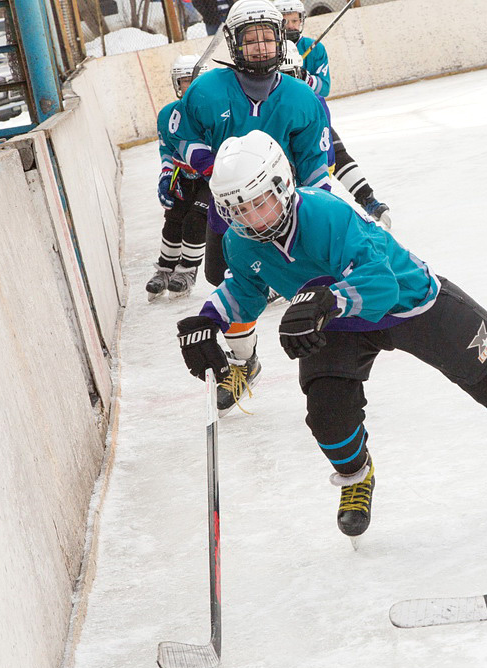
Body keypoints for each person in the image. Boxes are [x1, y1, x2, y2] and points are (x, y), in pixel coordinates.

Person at [174, 130, 487, 537]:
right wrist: (207, 320)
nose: (251, 217)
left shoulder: (326, 214)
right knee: (327, 411)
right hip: (335, 322)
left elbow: (380, 284)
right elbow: (246, 287)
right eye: (237, 208)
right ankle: (356, 476)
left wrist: (326, 301)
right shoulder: (241, 240)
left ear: (282, 185)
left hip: (407, 300)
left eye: (258, 201)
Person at [170, 0, 335, 413]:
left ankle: (333, 364)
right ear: (233, 42)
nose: (260, 46)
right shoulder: (206, 91)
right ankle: (245, 362)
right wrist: (212, 166)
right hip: (227, 213)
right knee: (227, 283)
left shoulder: (301, 99)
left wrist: (325, 213)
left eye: (267, 37)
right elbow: (184, 140)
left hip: (286, 214)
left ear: (280, 40)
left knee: (318, 288)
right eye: (251, 38)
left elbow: (315, 167)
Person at [274, 0, 392, 227]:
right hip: (279, 120)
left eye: (295, 20)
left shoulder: (314, 48)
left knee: (337, 152)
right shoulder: (271, 49)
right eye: (285, 21)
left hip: (311, 115)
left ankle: (368, 199)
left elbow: (324, 87)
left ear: (302, 20)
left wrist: (304, 77)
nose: (290, 25)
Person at [146, 55, 211, 301]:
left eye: (197, 80)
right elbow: (167, 150)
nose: (192, 86)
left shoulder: (216, 111)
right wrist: (166, 176)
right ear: (177, 84)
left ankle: (187, 271)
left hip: (212, 177)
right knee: (174, 218)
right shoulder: (167, 115)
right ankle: (165, 269)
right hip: (184, 174)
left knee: (197, 218)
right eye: (186, 81)